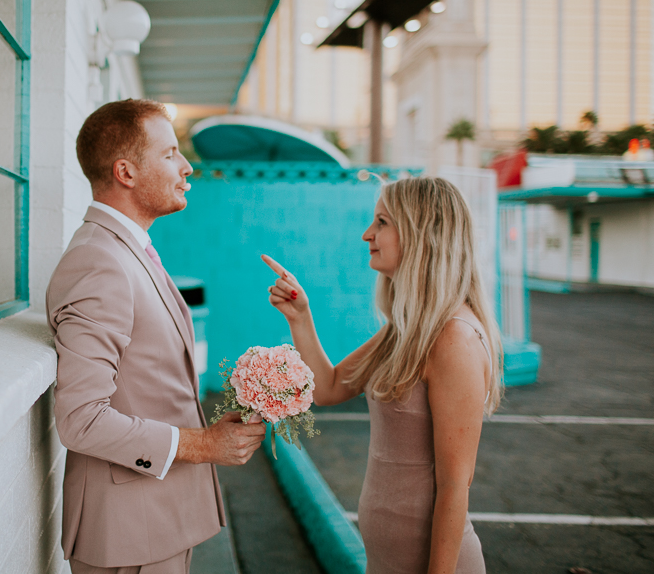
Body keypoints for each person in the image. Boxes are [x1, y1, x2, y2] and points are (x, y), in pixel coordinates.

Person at [47, 99, 266, 574]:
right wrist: (201, 445)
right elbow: (81, 420)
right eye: (170, 154)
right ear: (126, 172)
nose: (187, 167)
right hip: (129, 531)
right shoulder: (99, 262)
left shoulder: (127, 249)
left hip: (155, 520)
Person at [263, 176, 502, 574]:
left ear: (422, 232)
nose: (366, 234)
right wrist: (300, 316)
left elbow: (454, 487)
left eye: (382, 222)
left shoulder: (453, 340)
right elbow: (329, 387)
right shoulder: (406, 331)